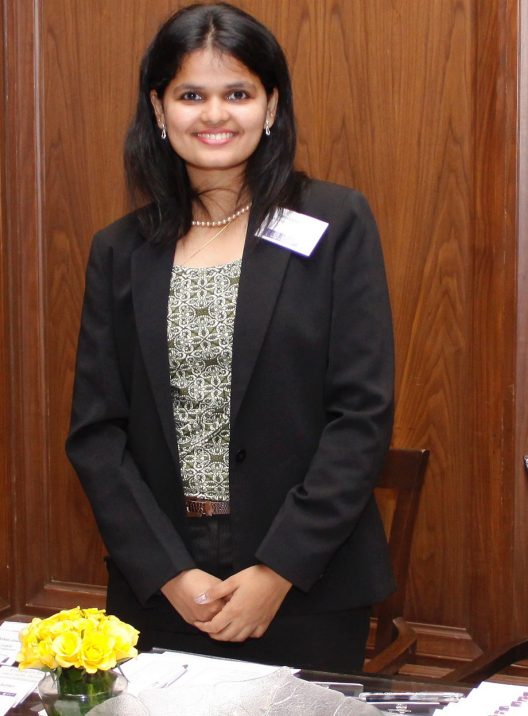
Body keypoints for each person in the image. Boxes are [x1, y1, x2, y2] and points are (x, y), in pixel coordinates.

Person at [66, 1, 395, 673]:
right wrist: (167, 572)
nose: (214, 114)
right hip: (162, 588)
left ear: (271, 104)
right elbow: (97, 433)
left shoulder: (335, 220)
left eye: (237, 94)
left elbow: (361, 415)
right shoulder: (119, 250)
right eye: (191, 95)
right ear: (158, 108)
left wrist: (278, 569)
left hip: (306, 584)